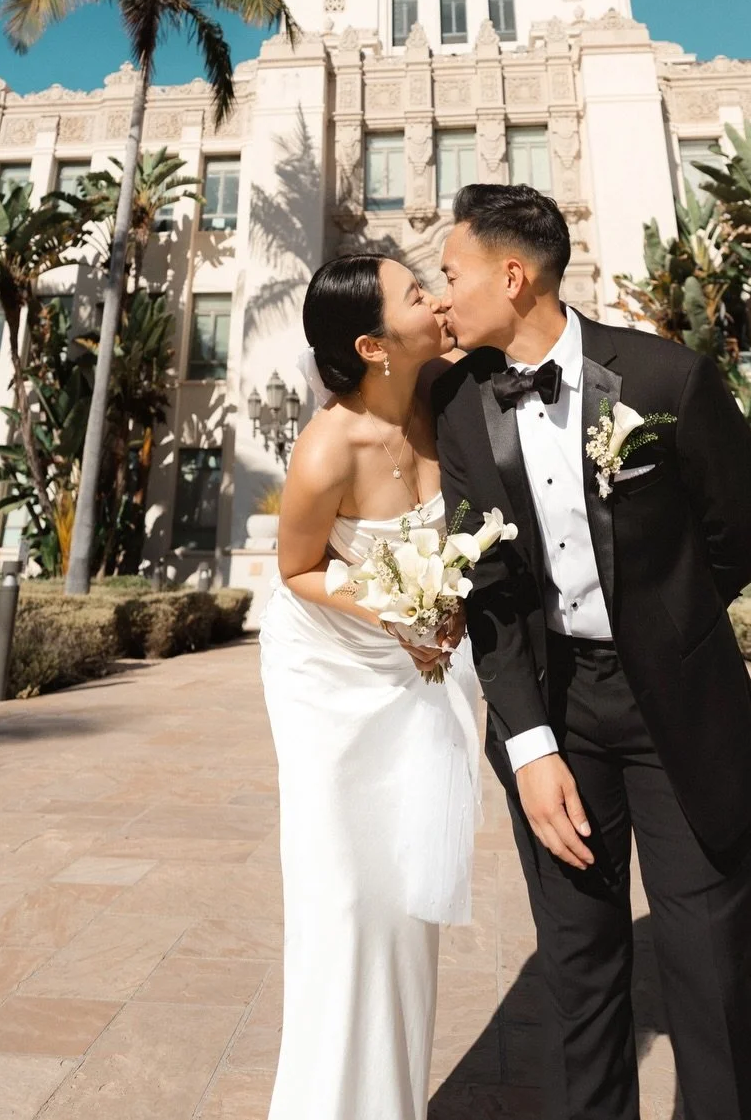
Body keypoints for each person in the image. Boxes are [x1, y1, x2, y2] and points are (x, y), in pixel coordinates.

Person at [434, 183, 751, 1120]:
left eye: (452, 274)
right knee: (581, 970)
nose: (442, 296)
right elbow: (489, 593)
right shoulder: (464, 410)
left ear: (513, 277)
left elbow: (750, 523)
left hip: (678, 701)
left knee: (708, 968)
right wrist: (530, 745)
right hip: (557, 715)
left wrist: (670, 616)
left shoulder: (667, 379)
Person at [258, 254, 480, 1120]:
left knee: (406, 896)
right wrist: (396, 609)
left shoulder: (448, 394)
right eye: (416, 294)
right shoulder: (326, 448)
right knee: (347, 896)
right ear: (371, 343)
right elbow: (298, 570)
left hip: (421, 671)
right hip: (331, 679)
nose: (434, 300)